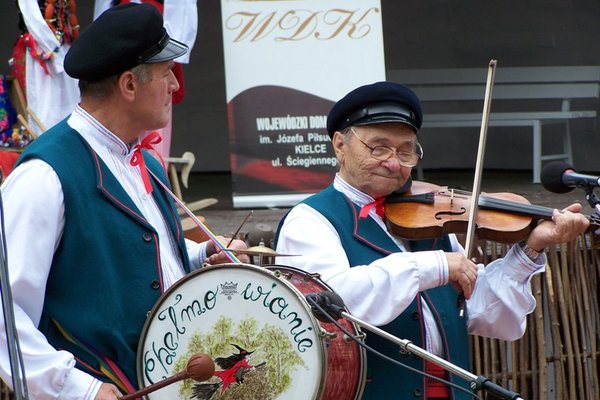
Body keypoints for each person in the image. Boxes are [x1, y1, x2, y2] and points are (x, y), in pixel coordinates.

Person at [275, 81, 590, 399]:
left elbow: (485, 313)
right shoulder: (311, 220)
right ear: (340, 145)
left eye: (405, 150)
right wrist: (433, 266)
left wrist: (530, 248)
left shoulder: (429, 223)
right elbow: (330, 304)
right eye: (378, 147)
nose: (394, 163)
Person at [0, 4, 247, 400]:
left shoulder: (144, 159)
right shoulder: (44, 176)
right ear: (129, 85)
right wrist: (78, 388)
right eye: (167, 74)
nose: (175, 87)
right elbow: (4, 312)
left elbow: (121, 249)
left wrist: (198, 256)